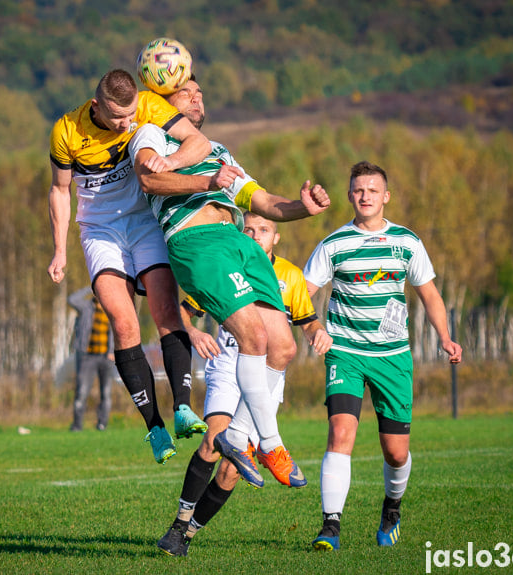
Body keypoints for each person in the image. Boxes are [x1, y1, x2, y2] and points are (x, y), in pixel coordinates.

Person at [128, 76, 330, 490]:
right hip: (196, 241)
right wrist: (207, 182)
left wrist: (302, 208)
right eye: (186, 92)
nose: (197, 97)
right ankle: (270, 441)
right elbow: (150, 181)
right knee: (253, 336)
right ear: (162, 101)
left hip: (240, 243)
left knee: (284, 346)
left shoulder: (219, 150)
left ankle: (236, 436)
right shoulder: (151, 134)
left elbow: (263, 202)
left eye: (200, 92)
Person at [48, 68, 213, 464]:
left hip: (143, 223)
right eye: (118, 118)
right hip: (100, 231)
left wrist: (169, 161)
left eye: (132, 115)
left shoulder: (148, 107)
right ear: (96, 106)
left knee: (166, 311)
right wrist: (59, 250)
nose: (127, 124)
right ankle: (154, 427)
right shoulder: (66, 130)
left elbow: (201, 143)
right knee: (123, 324)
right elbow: (59, 190)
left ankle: (183, 408)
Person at [303, 161, 463, 550]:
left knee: (396, 452)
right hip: (345, 354)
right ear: (349, 196)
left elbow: (430, 295)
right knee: (341, 433)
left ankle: (392, 508)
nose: (365, 196)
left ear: (386, 197)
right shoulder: (333, 244)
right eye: (358, 190)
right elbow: (300, 293)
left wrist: (445, 337)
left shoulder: (407, 242)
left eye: (373, 190)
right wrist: (312, 327)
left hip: (393, 357)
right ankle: (330, 527)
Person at [157, 211, 333, 556]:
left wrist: (319, 332)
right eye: (248, 229)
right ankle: (178, 523)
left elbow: (307, 320)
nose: (255, 235)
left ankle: (187, 534)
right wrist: (193, 332)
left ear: (276, 237)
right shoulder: (224, 264)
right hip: (227, 366)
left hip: (267, 376)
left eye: (264, 229)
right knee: (213, 442)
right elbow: (182, 311)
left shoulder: (290, 276)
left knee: (232, 469)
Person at [68, 287, 114, 432]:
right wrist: (90, 287)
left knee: (106, 393)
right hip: (86, 356)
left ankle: (102, 424)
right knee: (81, 391)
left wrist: (113, 351)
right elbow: (71, 299)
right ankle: (77, 426)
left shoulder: (112, 308)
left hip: (106, 357)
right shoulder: (86, 307)